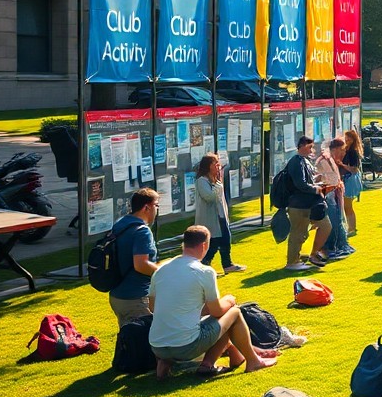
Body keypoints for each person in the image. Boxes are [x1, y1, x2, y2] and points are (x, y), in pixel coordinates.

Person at [149, 226, 277, 379]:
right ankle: (253, 361)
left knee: (218, 322)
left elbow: (152, 308)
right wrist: (229, 300)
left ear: (184, 244)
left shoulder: (160, 271)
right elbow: (217, 311)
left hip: (157, 347)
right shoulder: (204, 271)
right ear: (204, 245)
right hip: (185, 346)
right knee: (234, 312)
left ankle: (171, 362)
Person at [108, 188, 160, 327]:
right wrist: (162, 271)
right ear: (146, 207)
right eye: (156, 205)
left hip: (117, 294)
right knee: (143, 342)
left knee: (129, 340)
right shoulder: (142, 231)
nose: (157, 210)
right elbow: (141, 264)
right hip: (135, 298)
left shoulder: (120, 224)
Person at [285, 136, 333, 271]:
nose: (311, 149)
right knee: (298, 233)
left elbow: (306, 181)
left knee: (324, 226)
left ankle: (312, 254)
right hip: (298, 204)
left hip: (308, 203)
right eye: (309, 146)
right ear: (301, 146)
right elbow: (300, 184)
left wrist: (318, 181)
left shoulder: (304, 161)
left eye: (312, 147)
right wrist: (317, 188)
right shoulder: (296, 162)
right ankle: (292, 262)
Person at [193, 154, 244, 274]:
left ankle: (228, 265)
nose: (218, 166)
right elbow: (209, 197)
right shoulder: (202, 181)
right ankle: (203, 265)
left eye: (218, 163)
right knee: (213, 243)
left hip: (221, 217)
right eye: (214, 163)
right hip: (210, 219)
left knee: (226, 239)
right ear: (208, 166)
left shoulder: (216, 180)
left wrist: (217, 182)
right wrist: (217, 185)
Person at [316, 139, 352, 260]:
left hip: (334, 194)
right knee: (333, 221)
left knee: (338, 220)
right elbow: (324, 179)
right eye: (342, 150)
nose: (344, 153)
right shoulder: (323, 161)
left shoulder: (330, 159)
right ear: (335, 149)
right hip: (328, 195)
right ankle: (330, 247)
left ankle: (338, 245)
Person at [340, 128, 364, 237]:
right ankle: (351, 227)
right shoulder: (346, 149)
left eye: (349, 138)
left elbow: (354, 169)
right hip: (348, 179)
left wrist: (341, 164)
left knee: (348, 206)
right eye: (346, 138)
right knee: (346, 206)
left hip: (350, 180)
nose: (347, 140)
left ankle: (352, 228)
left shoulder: (353, 152)